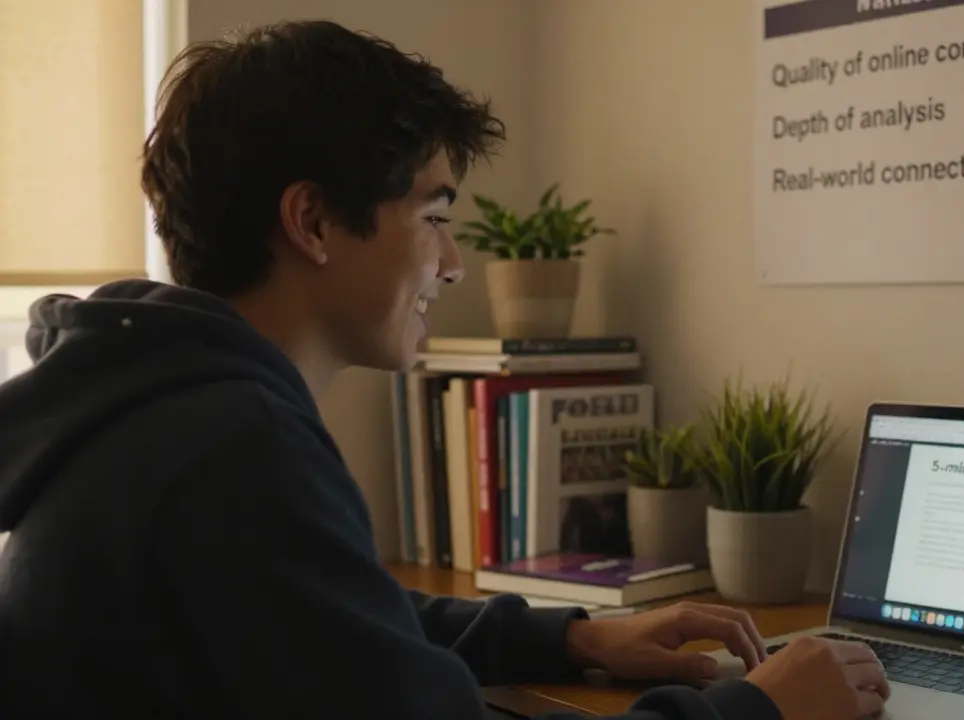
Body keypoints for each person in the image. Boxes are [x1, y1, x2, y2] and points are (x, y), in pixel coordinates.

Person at [0, 19, 889, 720]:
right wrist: (759, 708)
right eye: (432, 216)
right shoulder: (236, 450)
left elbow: (343, 629)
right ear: (311, 222)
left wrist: (577, 641)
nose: (453, 263)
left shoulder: (148, 405)